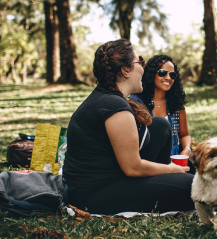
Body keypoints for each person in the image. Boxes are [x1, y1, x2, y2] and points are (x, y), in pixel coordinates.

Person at [62, 40, 195, 215]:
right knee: (194, 187)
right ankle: (171, 179)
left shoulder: (109, 98)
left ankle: (168, 179)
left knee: (160, 125)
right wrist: (171, 169)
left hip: (112, 175)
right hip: (94, 193)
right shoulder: (113, 106)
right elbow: (133, 168)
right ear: (125, 70)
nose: (143, 67)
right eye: (139, 61)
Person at [131, 55, 192, 157]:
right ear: (151, 74)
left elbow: (184, 134)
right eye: (162, 73)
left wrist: (186, 149)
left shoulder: (176, 103)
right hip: (146, 163)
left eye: (172, 75)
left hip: (174, 162)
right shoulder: (136, 102)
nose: (168, 78)